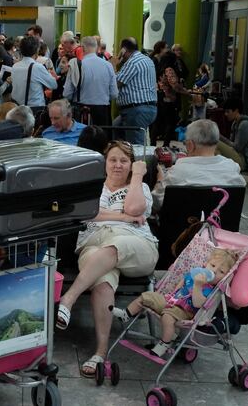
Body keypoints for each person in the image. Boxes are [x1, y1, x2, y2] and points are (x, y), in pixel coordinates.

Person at [56, 141, 158, 378]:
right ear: (104, 163)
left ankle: (68, 299)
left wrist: (138, 175)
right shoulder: (93, 189)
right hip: (93, 243)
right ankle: (101, 353)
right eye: (113, 160)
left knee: (116, 245)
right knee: (101, 282)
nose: (118, 165)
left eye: (124, 161)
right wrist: (123, 217)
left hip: (135, 244)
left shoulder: (139, 187)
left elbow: (134, 208)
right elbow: (89, 213)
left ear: (131, 164)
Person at [112, 248, 237, 357]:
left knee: (167, 316)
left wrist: (198, 286)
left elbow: (198, 304)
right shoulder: (194, 274)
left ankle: (165, 344)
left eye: (221, 272)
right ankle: (126, 314)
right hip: (171, 301)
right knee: (146, 297)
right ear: (206, 264)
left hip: (185, 311)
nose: (214, 272)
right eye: (213, 266)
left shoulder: (210, 290)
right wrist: (172, 294)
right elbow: (181, 283)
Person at [151, 119, 245, 212]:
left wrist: (160, 179)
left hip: (184, 226)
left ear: (190, 145)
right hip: (221, 224)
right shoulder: (232, 168)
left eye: (185, 143)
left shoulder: (178, 171)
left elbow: (155, 204)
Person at [63, 36, 118, 127]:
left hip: (82, 112)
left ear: (82, 48)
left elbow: (67, 93)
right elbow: (114, 94)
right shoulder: (108, 65)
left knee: (83, 139)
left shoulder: (77, 66)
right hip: (103, 112)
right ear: (96, 47)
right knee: (102, 139)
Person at [113, 38, 157, 145]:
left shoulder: (132, 62)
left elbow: (116, 83)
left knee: (136, 145)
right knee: (115, 127)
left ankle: (138, 161)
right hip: (148, 108)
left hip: (136, 110)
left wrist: (114, 65)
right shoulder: (147, 59)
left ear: (123, 50)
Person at [153, 51, 189, 146]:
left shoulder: (159, 68)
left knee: (158, 122)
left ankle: (152, 144)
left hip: (159, 96)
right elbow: (175, 85)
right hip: (168, 98)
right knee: (170, 122)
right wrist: (186, 91)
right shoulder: (169, 69)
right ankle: (166, 144)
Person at [11, 36, 57, 109]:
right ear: (36, 50)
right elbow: (53, 85)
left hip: (17, 107)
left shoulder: (15, 66)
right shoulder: (37, 67)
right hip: (34, 108)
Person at [217, 97, 248, 171]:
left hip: (245, 161)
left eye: (228, 112)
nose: (226, 114)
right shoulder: (235, 123)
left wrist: (220, 137)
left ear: (236, 111)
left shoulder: (245, 125)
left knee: (217, 143)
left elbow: (237, 148)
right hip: (238, 155)